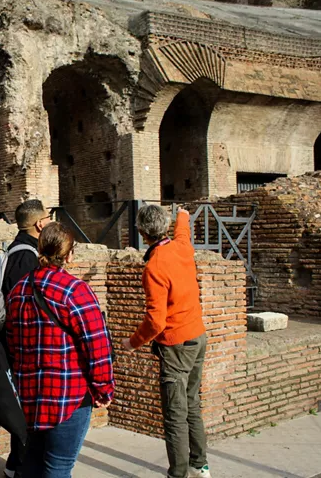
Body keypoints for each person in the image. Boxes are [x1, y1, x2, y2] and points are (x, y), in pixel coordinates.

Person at [5, 222, 115, 478]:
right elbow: (97, 345)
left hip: (30, 395)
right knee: (58, 467)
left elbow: (12, 343)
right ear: (69, 254)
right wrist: (103, 387)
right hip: (68, 395)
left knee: (31, 463)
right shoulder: (75, 290)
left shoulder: (19, 289)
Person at [120, 204, 211, 478]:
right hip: (198, 336)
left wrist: (132, 342)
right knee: (192, 402)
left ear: (141, 232)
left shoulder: (154, 266)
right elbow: (183, 228)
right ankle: (200, 464)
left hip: (175, 345)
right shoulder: (182, 246)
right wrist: (182, 213)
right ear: (165, 226)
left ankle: (179, 473)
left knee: (174, 413)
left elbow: (156, 321)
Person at [0, 199, 52, 478]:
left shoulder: (22, 250)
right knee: (27, 408)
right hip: (22, 346)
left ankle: (16, 464)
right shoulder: (26, 256)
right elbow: (22, 305)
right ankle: (18, 466)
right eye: (49, 217)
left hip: (19, 344)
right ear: (40, 224)